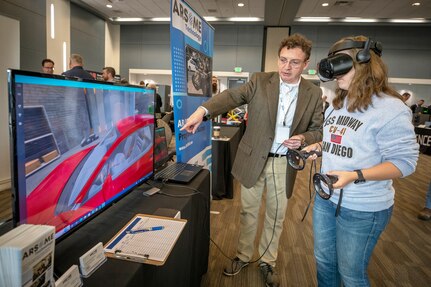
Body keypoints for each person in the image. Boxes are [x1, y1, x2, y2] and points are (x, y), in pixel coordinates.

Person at [181, 33, 323, 287]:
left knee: (276, 215)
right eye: (282, 60)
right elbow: (231, 97)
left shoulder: (313, 92)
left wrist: (303, 137)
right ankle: (243, 256)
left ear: (306, 64)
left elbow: (318, 129)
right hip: (252, 159)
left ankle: (268, 261)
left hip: (283, 161)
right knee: (248, 212)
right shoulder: (260, 80)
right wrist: (202, 111)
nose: (286, 67)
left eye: (294, 62)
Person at [302, 35, 419, 287]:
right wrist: (320, 148)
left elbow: (405, 163)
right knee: (323, 261)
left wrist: (355, 175)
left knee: (351, 273)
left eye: (341, 66)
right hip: (326, 199)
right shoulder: (337, 105)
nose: (335, 75)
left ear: (364, 63)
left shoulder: (391, 108)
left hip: (364, 208)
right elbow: (341, 142)